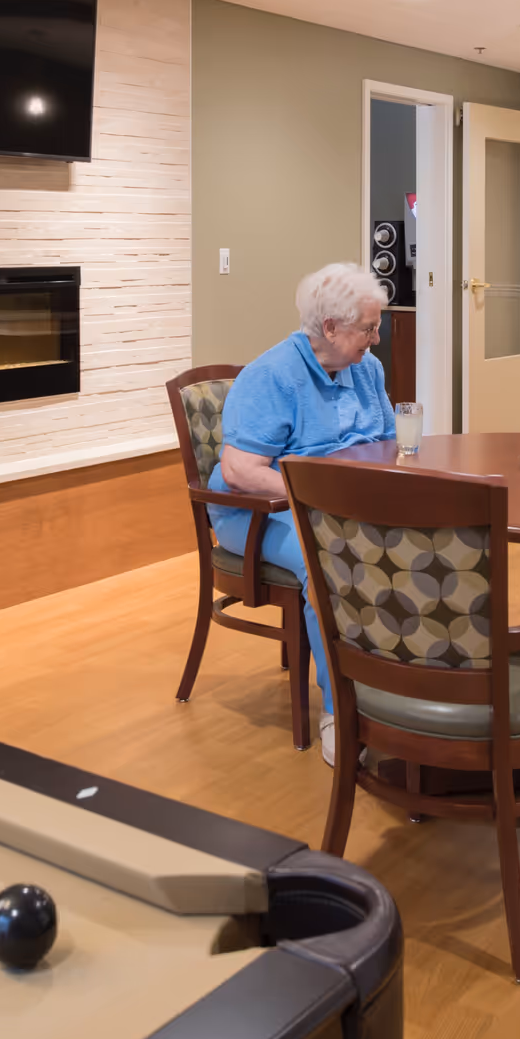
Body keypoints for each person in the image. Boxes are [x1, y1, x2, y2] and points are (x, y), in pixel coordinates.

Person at [209, 263, 395, 764]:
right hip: (259, 511)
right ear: (330, 327)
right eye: (369, 328)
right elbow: (241, 471)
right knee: (332, 562)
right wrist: (324, 498)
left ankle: (402, 692)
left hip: (339, 501)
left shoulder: (365, 369)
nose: (376, 340)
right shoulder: (271, 376)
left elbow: (387, 442)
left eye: (378, 326)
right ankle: (341, 710)